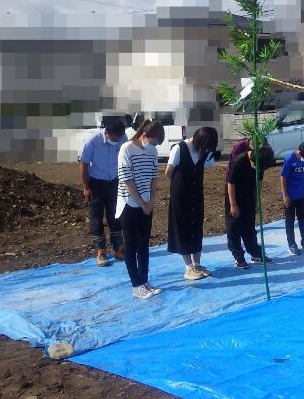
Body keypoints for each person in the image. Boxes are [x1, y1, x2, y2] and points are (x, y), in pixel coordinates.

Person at [116, 119, 164, 299]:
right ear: (144, 135)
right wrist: (141, 202)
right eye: (152, 142)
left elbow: (153, 177)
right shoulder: (126, 149)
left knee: (144, 244)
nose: (153, 146)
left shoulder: (152, 151)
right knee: (131, 245)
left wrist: (151, 200)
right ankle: (136, 284)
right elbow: (127, 180)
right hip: (129, 203)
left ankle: (144, 280)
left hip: (146, 203)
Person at [165, 126, 218, 280]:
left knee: (196, 227)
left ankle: (197, 264)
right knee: (183, 229)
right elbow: (168, 172)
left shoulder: (204, 151)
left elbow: (206, 166)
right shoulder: (179, 148)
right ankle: (188, 267)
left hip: (196, 195)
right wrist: (179, 186)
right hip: (180, 196)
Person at [79, 119, 128, 267]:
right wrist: (86, 187)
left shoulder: (122, 138)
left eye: (119, 138)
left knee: (116, 215)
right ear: (107, 133)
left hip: (115, 182)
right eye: (115, 138)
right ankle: (100, 251)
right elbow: (83, 164)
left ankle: (118, 248)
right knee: (96, 217)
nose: (117, 141)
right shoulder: (92, 141)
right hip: (96, 183)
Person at [225, 139, 273, 268]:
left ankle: (255, 253)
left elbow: (259, 183)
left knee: (249, 227)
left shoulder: (261, 162)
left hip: (249, 196)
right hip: (235, 196)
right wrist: (233, 205)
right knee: (234, 227)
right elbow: (230, 183)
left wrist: (257, 201)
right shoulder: (239, 161)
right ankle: (238, 256)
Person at [281, 140, 304, 255]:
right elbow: (283, 177)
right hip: (290, 196)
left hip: (301, 194)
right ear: (301, 153)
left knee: (302, 219)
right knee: (290, 220)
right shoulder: (290, 159)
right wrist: (285, 195)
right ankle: (291, 243)